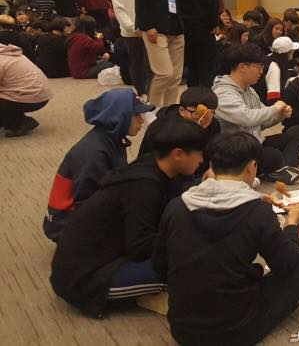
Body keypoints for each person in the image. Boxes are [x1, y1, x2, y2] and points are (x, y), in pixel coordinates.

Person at [154, 132, 299, 345]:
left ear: (211, 165)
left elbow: (160, 266)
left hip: (183, 330)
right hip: (237, 331)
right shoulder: (258, 212)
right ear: (252, 166)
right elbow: (287, 265)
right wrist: (291, 225)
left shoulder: (176, 206)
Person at [49, 117, 206, 317]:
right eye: (199, 154)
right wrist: (183, 236)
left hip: (94, 259)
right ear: (178, 154)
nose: (202, 160)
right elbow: (139, 247)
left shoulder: (152, 166)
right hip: (83, 281)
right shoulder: (145, 188)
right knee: (189, 263)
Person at [43, 89, 152, 241]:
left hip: (82, 214)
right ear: (119, 116)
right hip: (66, 225)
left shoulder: (111, 139)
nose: (142, 121)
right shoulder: (94, 153)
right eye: (136, 115)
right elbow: (86, 203)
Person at [213, 44, 299, 184]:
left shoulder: (249, 90)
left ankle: (280, 170)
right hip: (236, 151)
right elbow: (247, 118)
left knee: (296, 135)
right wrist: (274, 109)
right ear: (242, 67)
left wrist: (280, 114)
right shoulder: (223, 92)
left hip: (255, 143)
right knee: (274, 156)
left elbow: (261, 122)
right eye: (259, 67)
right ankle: (277, 169)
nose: (262, 71)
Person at [136, 0, 191, 108]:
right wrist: (147, 26)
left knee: (175, 77)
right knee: (165, 73)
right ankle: (151, 109)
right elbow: (140, 0)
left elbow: (181, 2)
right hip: (155, 29)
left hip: (176, 28)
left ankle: (169, 112)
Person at [137, 86, 221, 181]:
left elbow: (214, 153)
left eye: (208, 114)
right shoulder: (161, 129)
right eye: (195, 113)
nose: (202, 119)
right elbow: (146, 161)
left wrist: (211, 169)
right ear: (181, 110)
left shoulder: (213, 126)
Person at [110, 0, 151, 98]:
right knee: (137, 62)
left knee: (152, 63)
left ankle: (152, 94)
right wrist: (133, 27)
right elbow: (118, 7)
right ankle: (141, 93)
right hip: (131, 30)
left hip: (149, 27)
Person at [181, 0, 223, 88]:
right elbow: (213, 1)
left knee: (192, 66)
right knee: (206, 67)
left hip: (185, 28)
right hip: (204, 29)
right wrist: (214, 24)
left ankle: (192, 95)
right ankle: (205, 97)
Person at [0, 43, 52, 137]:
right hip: (39, 93)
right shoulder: (7, 53)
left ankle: (20, 123)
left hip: (31, 97)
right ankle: (11, 119)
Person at [254, 36, 299, 106]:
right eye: (292, 51)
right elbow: (273, 98)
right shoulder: (274, 68)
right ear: (288, 52)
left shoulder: (270, 56)